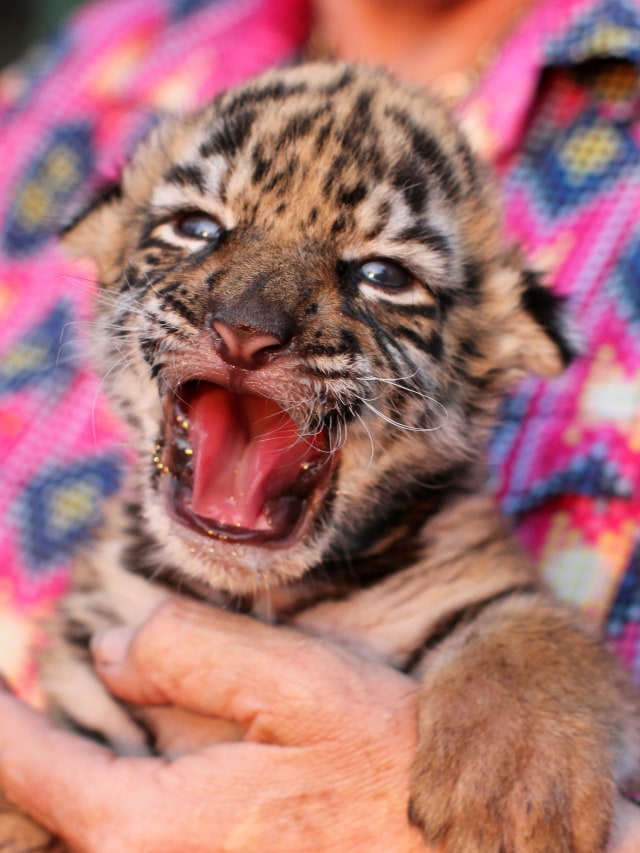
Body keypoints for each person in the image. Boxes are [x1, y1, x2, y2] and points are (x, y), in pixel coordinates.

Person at [1, 0, 640, 849]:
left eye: (383, 272)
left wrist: (528, 681)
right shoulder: (105, 47)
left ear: (497, 353)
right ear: (104, 245)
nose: (249, 315)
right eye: (194, 227)